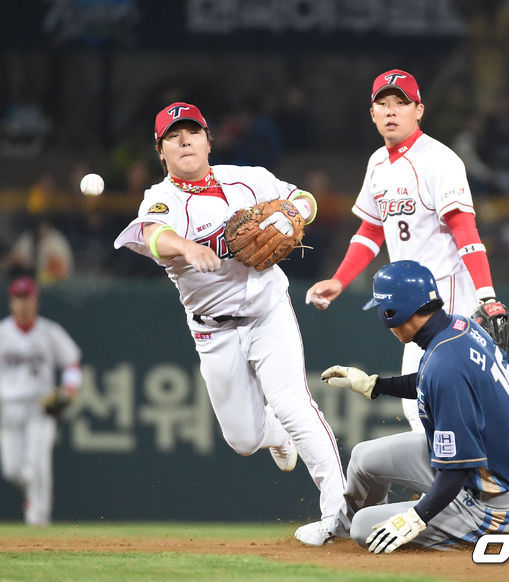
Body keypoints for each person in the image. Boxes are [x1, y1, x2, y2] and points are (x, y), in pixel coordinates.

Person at [113, 102, 345, 533]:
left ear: (208, 140)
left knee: (293, 404)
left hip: (267, 309)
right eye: (172, 136)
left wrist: (295, 212)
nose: (184, 141)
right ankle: (276, 435)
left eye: (192, 132)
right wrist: (187, 247)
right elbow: (155, 236)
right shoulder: (161, 199)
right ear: (160, 152)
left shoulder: (249, 179)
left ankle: (338, 512)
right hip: (212, 329)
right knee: (243, 439)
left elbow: (306, 199)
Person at [305, 69, 503, 432]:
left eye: (401, 102)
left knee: (438, 399)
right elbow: (371, 230)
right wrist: (340, 280)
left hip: (447, 292)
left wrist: (486, 295)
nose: (392, 110)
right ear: (372, 113)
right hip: (411, 298)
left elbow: (464, 228)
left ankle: (478, 465)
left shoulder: (439, 159)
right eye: (383, 104)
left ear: (419, 110)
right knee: (422, 405)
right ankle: (463, 466)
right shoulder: (377, 163)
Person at [296, 260, 509, 550]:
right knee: (362, 457)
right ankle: (338, 531)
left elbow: (456, 470)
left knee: (365, 527)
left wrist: (417, 517)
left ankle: (485, 535)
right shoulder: (459, 327)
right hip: (491, 468)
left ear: (393, 312)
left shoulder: (446, 365)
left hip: (493, 503)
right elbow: (430, 379)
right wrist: (375, 385)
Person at [0, 276, 82, 526]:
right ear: (11, 302)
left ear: (36, 301)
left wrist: (69, 387)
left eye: (27, 298)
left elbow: (72, 363)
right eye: (18, 299)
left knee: (38, 463)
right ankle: (33, 494)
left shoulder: (49, 331)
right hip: (8, 407)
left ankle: (38, 518)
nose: (23, 304)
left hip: (40, 406)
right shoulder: (2, 332)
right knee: (12, 469)